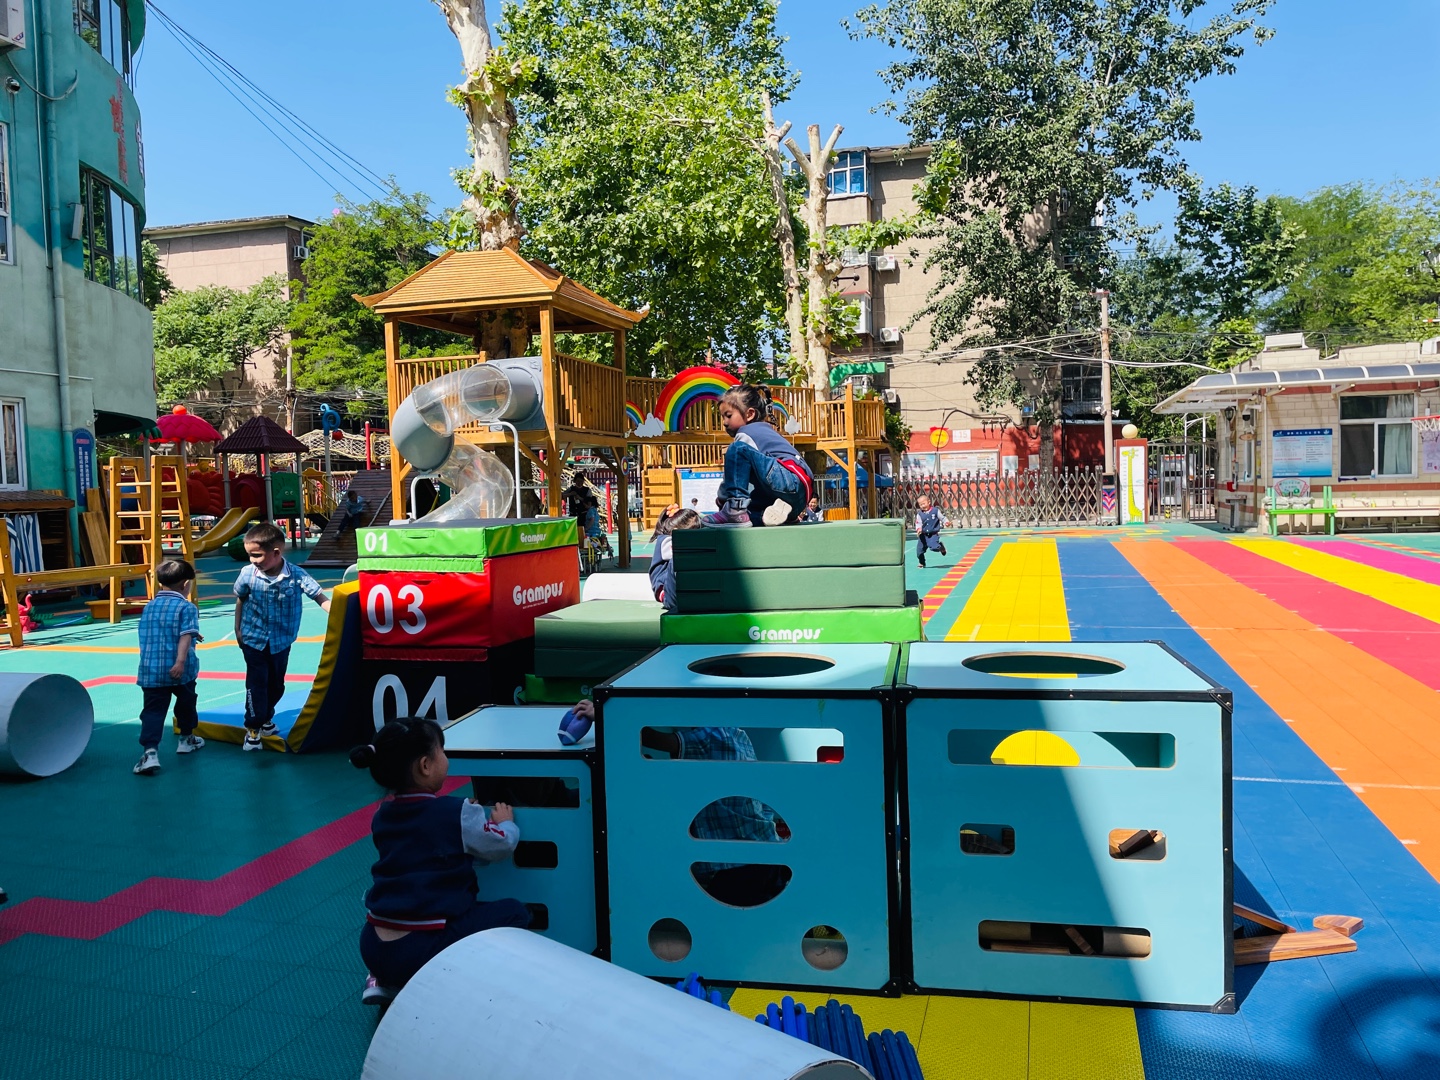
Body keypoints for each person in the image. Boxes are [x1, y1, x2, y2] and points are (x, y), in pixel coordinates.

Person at [351, 718, 531, 1004]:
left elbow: (421, 842)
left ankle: (381, 978)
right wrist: (505, 823)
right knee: (515, 912)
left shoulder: (382, 816)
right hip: (421, 946)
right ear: (425, 765)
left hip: (372, 944)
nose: (446, 758)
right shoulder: (457, 812)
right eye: (442, 751)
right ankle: (440, 981)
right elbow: (500, 845)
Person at [567, 701, 788, 905]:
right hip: (762, 852)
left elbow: (656, 740)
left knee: (721, 922)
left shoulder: (714, 735)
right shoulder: (738, 735)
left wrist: (608, 716)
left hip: (740, 864)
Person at [234, 522, 331, 753]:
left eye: (257, 555)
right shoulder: (248, 573)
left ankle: (266, 717)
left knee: (276, 684)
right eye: (250, 555)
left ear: (276, 553)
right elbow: (240, 599)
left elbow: (319, 597)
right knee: (257, 683)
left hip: (281, 641)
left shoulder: (296, 575)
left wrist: (341, 613)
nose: (253, 560)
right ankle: (253, 728)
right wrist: (237, 628)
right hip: (253, 639)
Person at [703, 384, 814, 528]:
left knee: (737, 449)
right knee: (748, 514)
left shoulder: (746, 432)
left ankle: (735, 508)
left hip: (788, 478)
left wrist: (722, 500)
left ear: (750, 414)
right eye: (722, 417)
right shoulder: (767, 432)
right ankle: (771, 516)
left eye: (728, 416)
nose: (724, 422)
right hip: (799, 498)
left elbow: (733, 475)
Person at [133, 559, 205, 775]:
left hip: (152, 670)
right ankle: (186, 739)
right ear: (185, 584)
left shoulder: (150, 606)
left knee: (153, 711)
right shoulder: (187, 607)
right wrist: (180, 661)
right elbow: (184, 635)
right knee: (186, 703)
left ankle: (150, 753)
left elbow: (163, 629)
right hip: (181, 670)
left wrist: (193, 633)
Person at [648, 505, 702, 611]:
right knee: (679, 558)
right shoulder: (666, 542)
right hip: (667, 593)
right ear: (677, 533)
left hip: (679, 590)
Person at [914, 495, 948, 568]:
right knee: (919, 551)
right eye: (920, 505)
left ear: (929, 502)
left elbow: (942, 518)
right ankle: (922, 562)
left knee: (934, 547)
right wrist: (919, 529)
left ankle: (941, 547)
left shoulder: (935, 511)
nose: (922, 506)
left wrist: (946, 522)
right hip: (923, 535)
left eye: (924, 504)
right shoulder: (920, 514)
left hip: (933, 534)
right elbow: (918, 523)